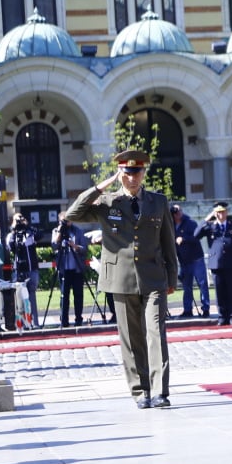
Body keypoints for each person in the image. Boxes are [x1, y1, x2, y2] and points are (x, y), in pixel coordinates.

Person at [62, 149, 178, 409]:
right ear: (120, 174)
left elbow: (167, 242)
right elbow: (72, 213)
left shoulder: (158, 202)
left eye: (136, 173)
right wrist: (103, 185)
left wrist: (172, 277)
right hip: (120, 278)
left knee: (155, 332)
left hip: (154, 277)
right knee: (130, 338)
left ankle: (160, 390)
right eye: (126, 174)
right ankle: (140, 391)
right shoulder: (107, 202)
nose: (132, 179)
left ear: (143, 173)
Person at [195, 201, 232, 326]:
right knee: (219, 291)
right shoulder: (210, 226)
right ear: (214, 213)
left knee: (230, 291)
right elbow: (196, 235)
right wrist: (207, 219)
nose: (220, 215)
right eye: (218, 212)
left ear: (226, 212)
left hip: (231, 263)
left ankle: (231, 315)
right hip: (216, 263)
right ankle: (222, 316)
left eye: (222, 212)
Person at [171, 204, 210, 318]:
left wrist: (184, 239)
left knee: (202, 284)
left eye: (180, 210)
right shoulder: (171, 225)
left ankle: (205, 309)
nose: (179, 213)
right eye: (176, 211)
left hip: (196, 259)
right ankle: (187, 310)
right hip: (184, 261)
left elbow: (196, 237)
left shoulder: (190, 223)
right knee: (187, 286)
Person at [6, 212, 43, 328]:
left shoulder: (30, 233)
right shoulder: (12, 235)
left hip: (32, 269)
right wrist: (14, 229)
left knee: (32, 295)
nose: (19, 221)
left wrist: (27, 225)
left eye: (21, 219)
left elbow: (40, 235)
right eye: (17, 219)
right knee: (20, 297)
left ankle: (34, 322)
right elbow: (10, 246)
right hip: (19, 270)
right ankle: (22, 323)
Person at [51, 218, 89, 327]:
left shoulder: (78, 231)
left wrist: (74, 246)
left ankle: (78, 319)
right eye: (63, 221)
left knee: (78, 295)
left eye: (67, 220)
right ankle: (64, 320)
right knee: (64, 296)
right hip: (64, 269)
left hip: (76, 269)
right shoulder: (56, 231)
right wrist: (59, 232)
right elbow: (54, 246)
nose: (66, 223)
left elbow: (85, 249)